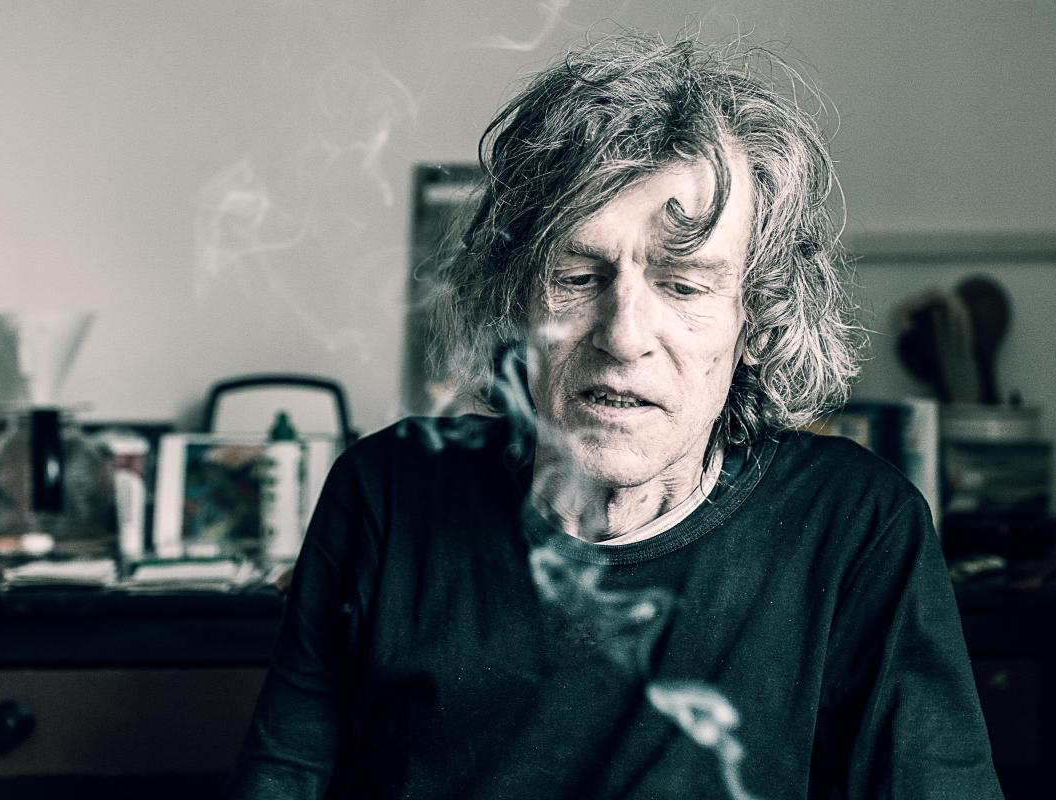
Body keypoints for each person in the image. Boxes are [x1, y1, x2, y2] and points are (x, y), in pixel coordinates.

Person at [227, 30, 1004, 800]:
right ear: (515, 303)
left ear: (759, 323)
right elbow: (283, 778)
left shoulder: (854, 526)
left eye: (685, 285)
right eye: (576, 276)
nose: (624, 336)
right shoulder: (387, 494)